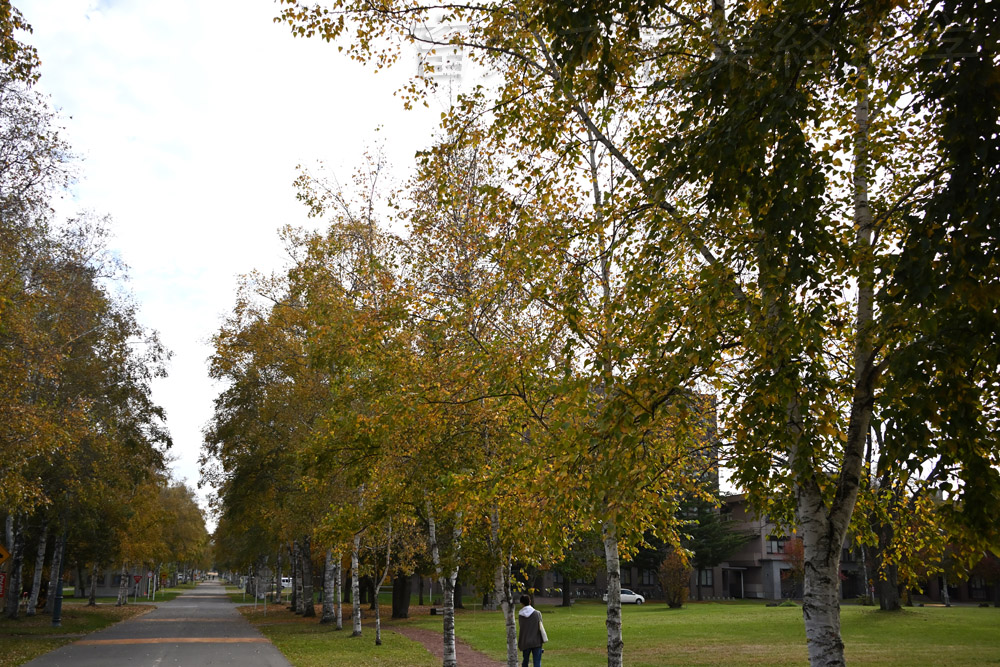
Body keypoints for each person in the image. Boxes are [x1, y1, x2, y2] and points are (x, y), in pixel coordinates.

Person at [517, 594, 544, 667]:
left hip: (525, 641)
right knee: (537, 662)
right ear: (530, 601)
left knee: (525, 661)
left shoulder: (520, 615)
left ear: (521, 603)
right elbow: (540, 627)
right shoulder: (537, 613)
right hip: (536, 641)